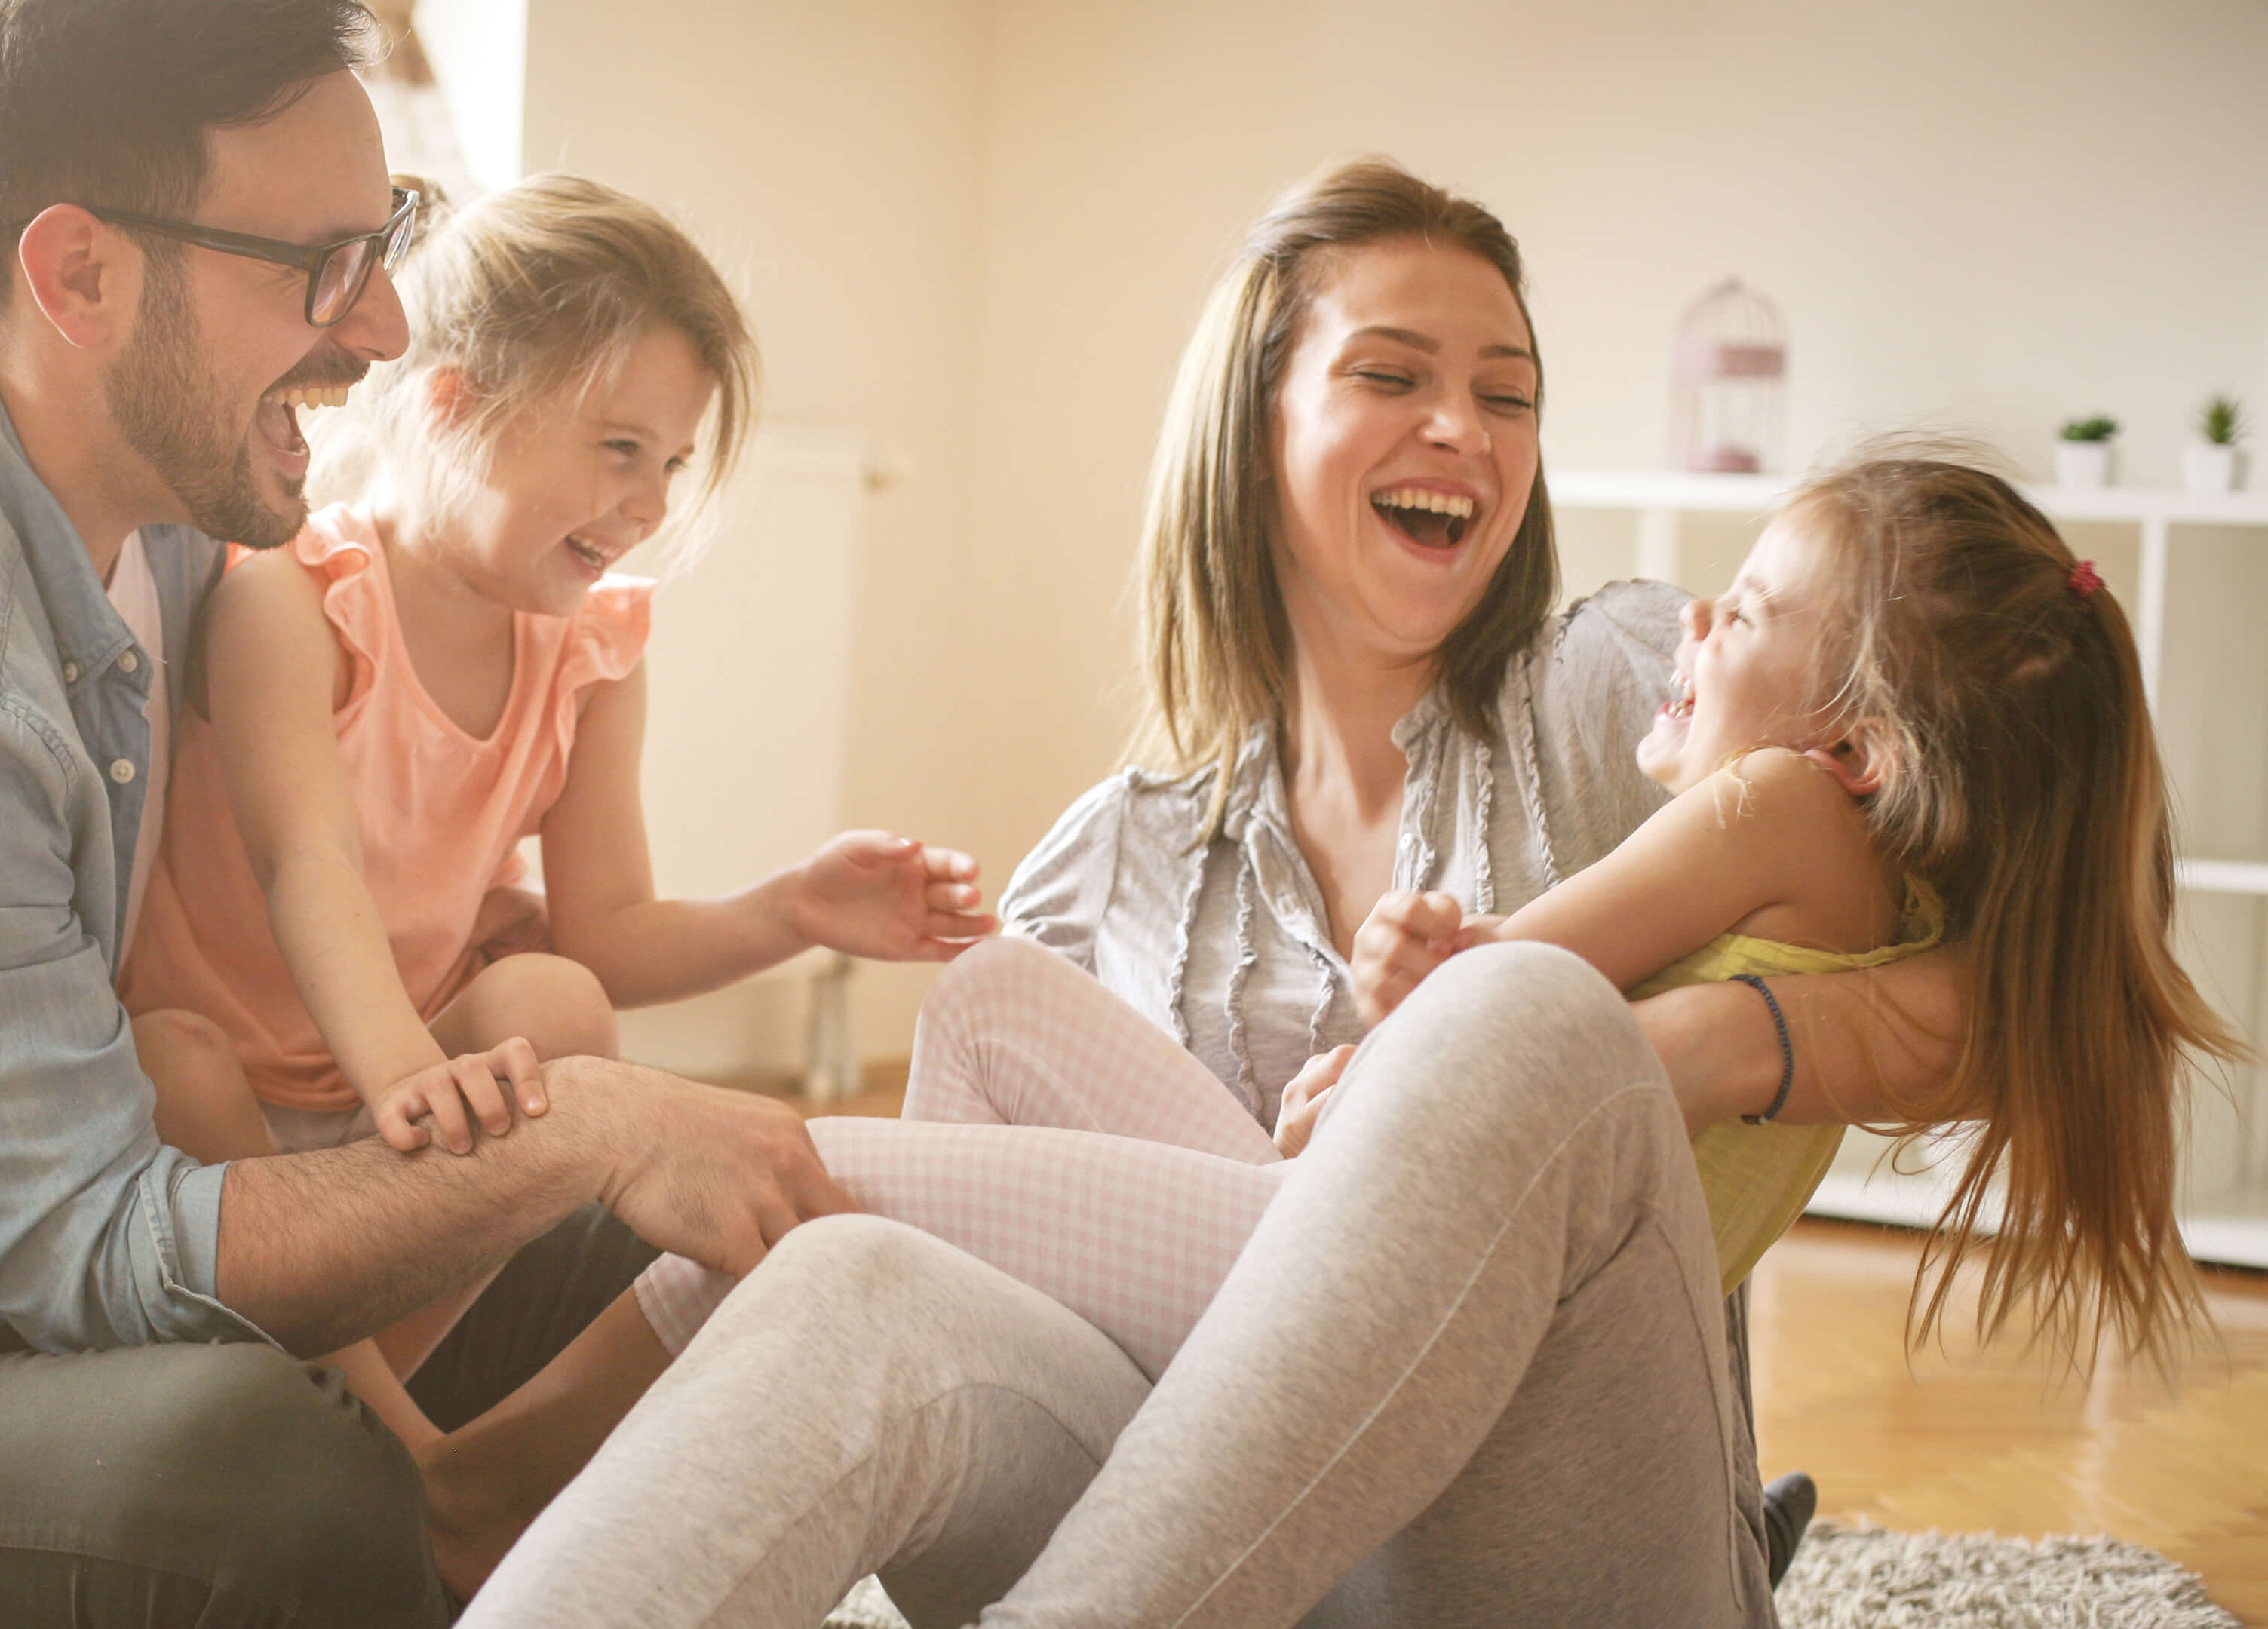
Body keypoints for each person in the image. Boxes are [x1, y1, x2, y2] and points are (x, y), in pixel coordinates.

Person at [458, 162, 2030, 1627]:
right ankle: (463, 1517)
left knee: (1525, 1017)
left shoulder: (1629, 688)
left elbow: (2033, 971)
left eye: (1507, 395)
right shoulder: (1110, 861)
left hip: (1551, 1527)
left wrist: (1713, 1046)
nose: (1463, 429)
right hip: (1224, 1546)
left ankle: (506, 1439)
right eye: (1392, 376)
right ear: (1252, 425)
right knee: (864, 1266)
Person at [0, 4, 846, 1625]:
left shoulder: (161, 497)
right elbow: (94, 1253)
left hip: (41, 1273)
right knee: (268, 1473)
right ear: (81, 277)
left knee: (674, 1264)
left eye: (387, 239)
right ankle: (414, 1520)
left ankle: (441, 1520)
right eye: (322, 264)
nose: (385, 327)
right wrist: (584, 1122)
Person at [117, 175, 992, 1443]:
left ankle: (392, 1412)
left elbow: (609, 934)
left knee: (556, 1001)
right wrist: (407, 1077)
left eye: (672, 464)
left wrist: (793, 910)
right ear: (455, 404)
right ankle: (404, 1458)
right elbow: (309, 862)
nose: (651, 505)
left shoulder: (587, 653)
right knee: (166, 1057)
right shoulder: (294, 601)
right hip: (236, 1109)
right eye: (620, 449)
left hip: (400, 1094)